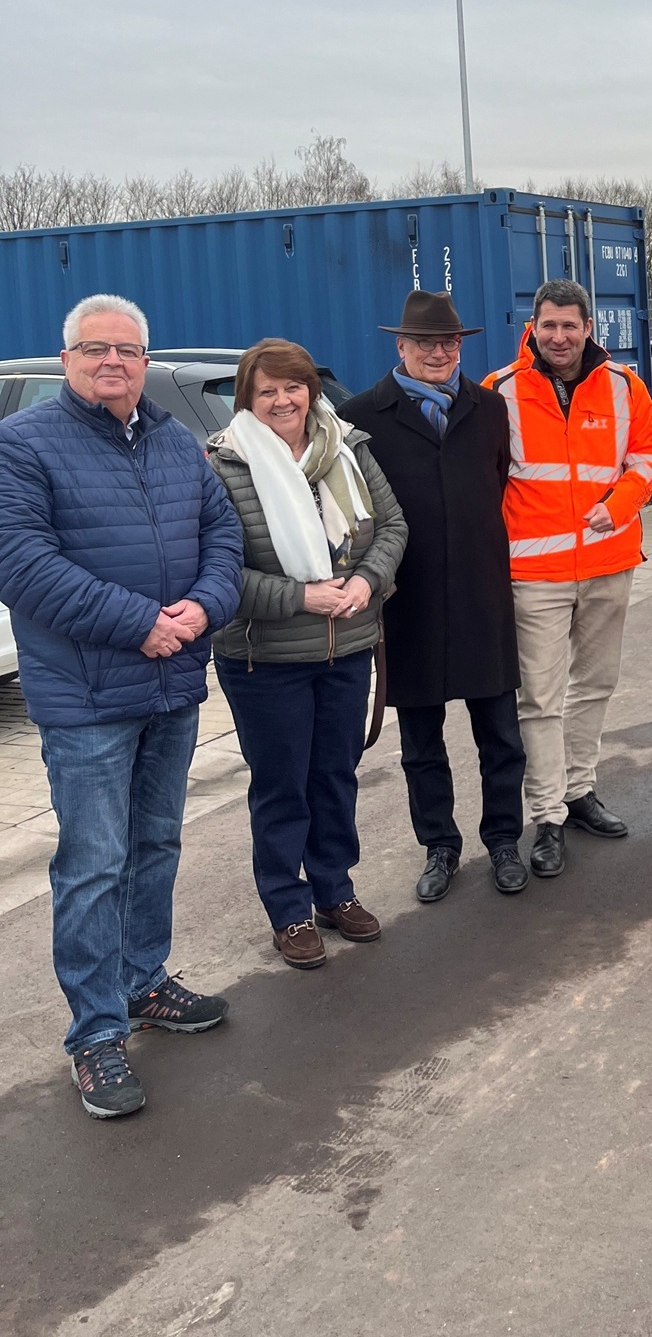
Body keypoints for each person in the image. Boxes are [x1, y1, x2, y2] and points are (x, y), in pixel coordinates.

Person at [0, 295, 242, 1120]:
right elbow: (22, 565)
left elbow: (224, 538)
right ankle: (96, 1034)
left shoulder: (174, 441)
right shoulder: (22, 444)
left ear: (144, 361)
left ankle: (143, 982)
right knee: (94, 864)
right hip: (90, 698)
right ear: (67, 358)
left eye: (128, 350)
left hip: (172, 685)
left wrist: (204, 608)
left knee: (156, 845)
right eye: (96, 348)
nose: (113, 361)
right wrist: (140, 623)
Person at [208, 340, 408, 966]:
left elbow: (392, 526)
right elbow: (216, 571)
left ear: (311, 391)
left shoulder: (348, 448)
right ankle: (287, 909)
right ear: (247, 400)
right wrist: (300, 597)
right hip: (263, 660)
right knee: (281, 786)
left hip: (346, 647)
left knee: (334, 776)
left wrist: (366, 581)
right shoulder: (223, 465)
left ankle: (334, 889)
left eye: (292, 387)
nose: (282, 400)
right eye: (266, 391)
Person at [339, 290, 529, 898]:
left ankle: (504, 839)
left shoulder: (489, 408)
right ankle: (440, 846)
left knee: (500, 734)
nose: (438, 352)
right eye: (424, 342)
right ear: (401, 346)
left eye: (448, 341)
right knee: (421, 742)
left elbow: (496, 482)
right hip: (409, 599)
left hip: (482, 592)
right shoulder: (360, 416)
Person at [484, 279, 652, 877]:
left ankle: (580, 790)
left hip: (608, 563)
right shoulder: (499, 391)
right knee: (540, 699)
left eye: (570, 325)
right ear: (532, 329)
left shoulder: (625, 386)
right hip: (535, 573)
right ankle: (548, 815)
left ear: (589, 328)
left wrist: (621, 503)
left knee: (596, 684)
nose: (559, 337)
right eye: (549, 326)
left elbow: (648, 458)